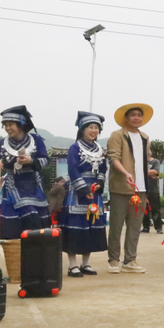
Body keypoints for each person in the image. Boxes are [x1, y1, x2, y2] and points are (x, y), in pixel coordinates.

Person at [0, 106, 51, 239]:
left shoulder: (36, 140)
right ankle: (16, 254)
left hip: (34, 186)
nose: (7, 128)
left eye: (10, 124)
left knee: (37, 220)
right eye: (5, 125)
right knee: (17, 223)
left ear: (21, 124)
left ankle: (37, 255)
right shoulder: (2, 143)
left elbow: (45, 160)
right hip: (13, 187)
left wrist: (31, 160)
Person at [106, 103, 153, 274]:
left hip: (140, 188)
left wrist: (150, 172)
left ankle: (130, 260)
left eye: (139, 115)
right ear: (126, 118)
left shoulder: (145, 138)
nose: (136, 118)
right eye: (133, 115)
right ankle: (113, 260)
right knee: (116, 226)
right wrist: (125, 173)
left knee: (135, 227)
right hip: (121, 188)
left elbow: (144, 160)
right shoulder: (117, 135)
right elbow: (114, 158)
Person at [61, 111, 108, 278]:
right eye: (90, 127)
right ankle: (72, 265)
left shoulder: (100, 149)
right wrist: (84, 189)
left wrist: (100, 183)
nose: (94, 131)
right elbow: (72, 170)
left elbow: (103, 169)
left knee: (91, 226)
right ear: (82, 129)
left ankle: (85, 263)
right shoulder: (75, 148)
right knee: (75, 228)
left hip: (94, 192)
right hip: (78, 193)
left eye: (97, 128)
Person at [142, 148, 163, 234]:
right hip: (143, 189)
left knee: (155, 209)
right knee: (144, 210)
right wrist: (150, 173)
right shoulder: (140, 162)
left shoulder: (155, 161)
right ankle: (145, 227)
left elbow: (156, 172)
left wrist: (144, 172)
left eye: (148, 151)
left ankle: (158, 227)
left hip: (153, 190)